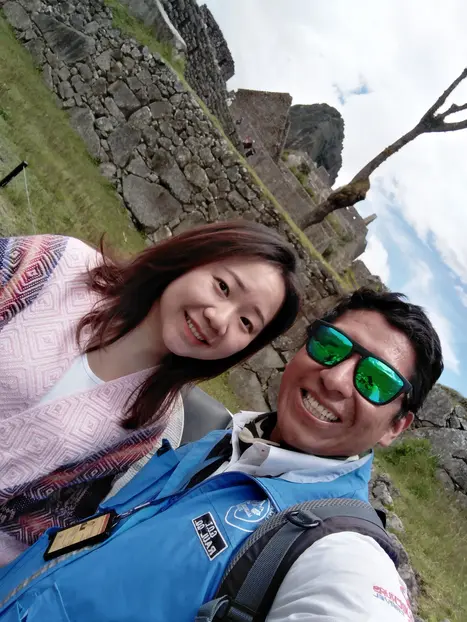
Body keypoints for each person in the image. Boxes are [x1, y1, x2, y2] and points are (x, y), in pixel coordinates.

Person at [0, 288, 443, 621]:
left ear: (396, 426)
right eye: (332, 346)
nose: (337, 379)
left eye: (376, 381)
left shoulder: (338, 550)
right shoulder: (226, 443)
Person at [0, 221, 300, 566]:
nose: (220, 320)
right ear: (191, 258)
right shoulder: (57, 265)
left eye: (247, 323)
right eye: (223, 287)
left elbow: (38, 519)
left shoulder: (148, 419)